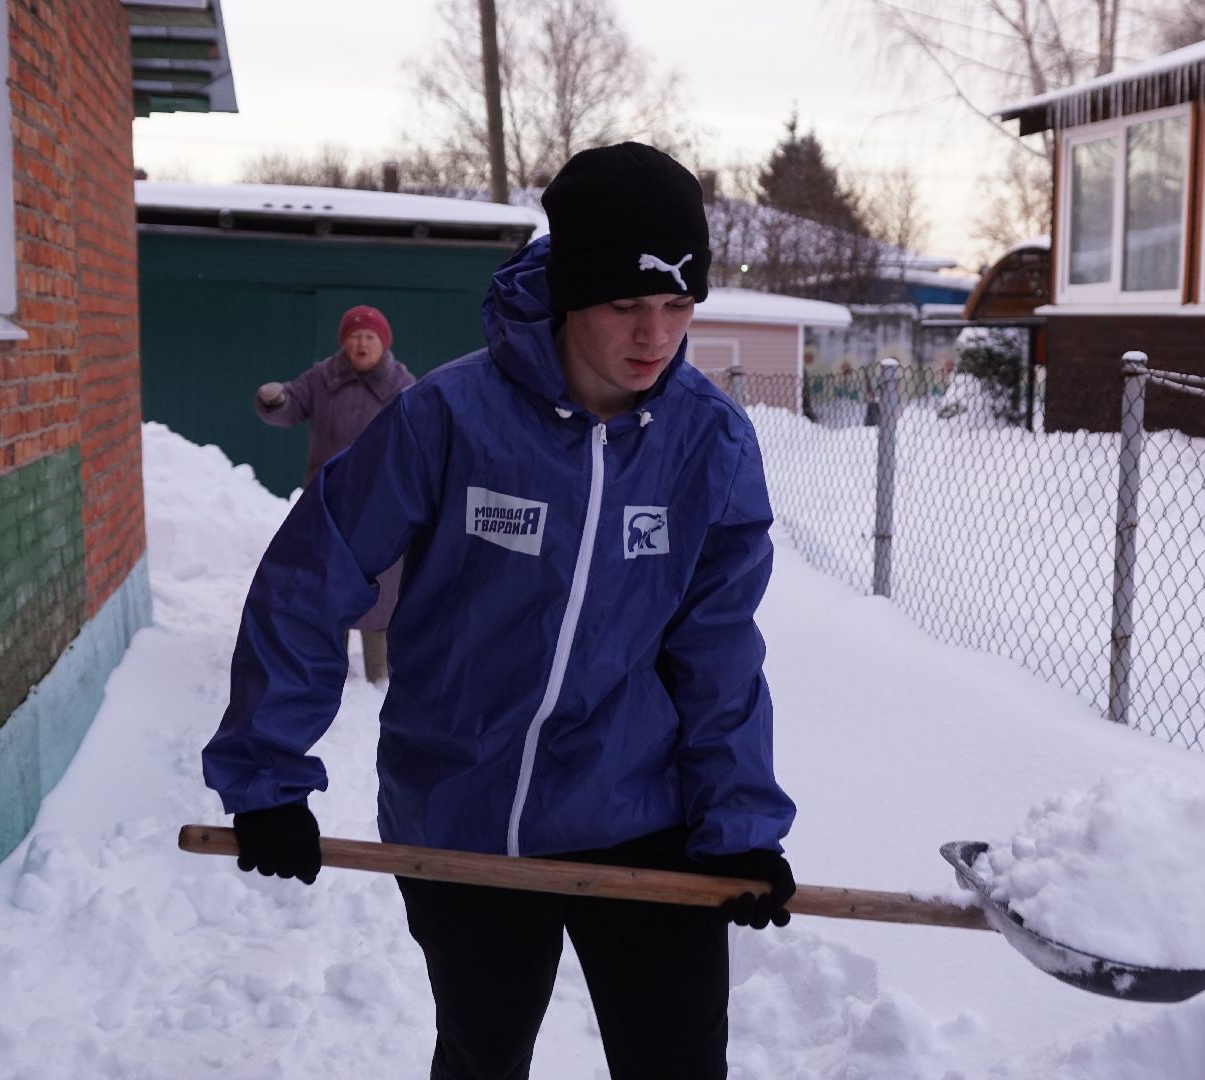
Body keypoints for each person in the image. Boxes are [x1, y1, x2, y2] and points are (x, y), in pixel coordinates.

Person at [204, 142, 797, 1080]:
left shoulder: (709, 441)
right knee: (484, 1057)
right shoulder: (450, 418)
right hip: (463, 812)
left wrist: (742, 824)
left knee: (679, 1064)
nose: (656, 336)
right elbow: (309, 578)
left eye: (679, 306)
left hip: (640, 808)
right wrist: (268, 777)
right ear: (568, 294)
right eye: (625, 305)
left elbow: (719, 644)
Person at [252, 304, 415, 683]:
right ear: (344, 342)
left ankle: (379, 672)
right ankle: (328, 666)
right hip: (328, 500)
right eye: (355, 336)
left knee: (382, 581)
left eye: (370, 337)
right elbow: (290, 405)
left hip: (381, 504)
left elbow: (420, 432)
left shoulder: (402, 386)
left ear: (383, 343)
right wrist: (274, 399)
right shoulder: (322, 378)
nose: (362, 343)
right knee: (328, 580)